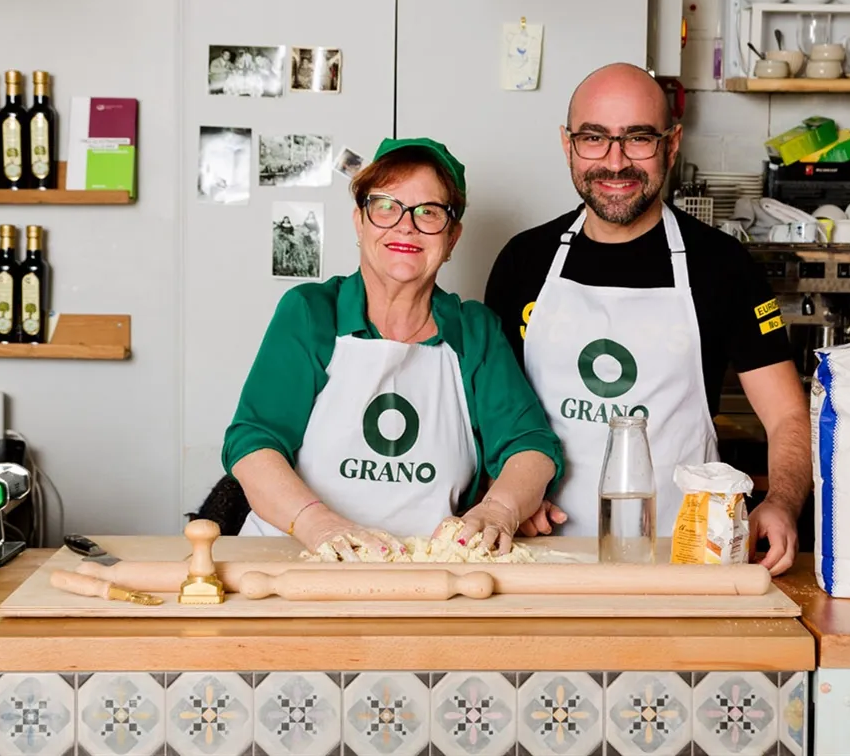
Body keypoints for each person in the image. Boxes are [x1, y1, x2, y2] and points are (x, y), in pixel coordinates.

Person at [484, 63, 811, 575]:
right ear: (567, 144)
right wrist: (503, 498)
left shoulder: (724, 267)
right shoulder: (523, 261)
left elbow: (788, 416)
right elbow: (489, 416)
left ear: (671, 144)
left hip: (685, 557)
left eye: (638, 139)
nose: (615, 162)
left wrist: (782, 503)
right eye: (594, 138)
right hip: (539, 555)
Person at [223, 137, 564, 560]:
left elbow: (529, 445)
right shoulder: (311, 314)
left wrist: (499, 510)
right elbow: (254, 442)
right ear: (359, 221)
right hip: (292, 563)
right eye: (386, 206)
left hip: (427, 573)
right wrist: (319, 524)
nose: (406, 225)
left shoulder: (474, 332)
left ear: (453, 237)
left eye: (429, 212)